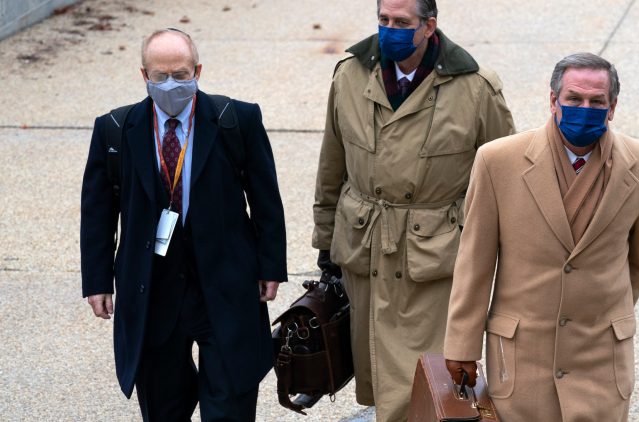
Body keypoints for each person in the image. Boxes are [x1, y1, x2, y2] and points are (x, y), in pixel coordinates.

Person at [311, 0, 515, 419]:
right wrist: (326, 242)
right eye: (383, 20)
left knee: (424, 381)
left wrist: (500, 259)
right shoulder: (350, 74)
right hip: (364, 248)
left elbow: (503, 177)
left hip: (433, 258)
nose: (390, 30)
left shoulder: (476, 86)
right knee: (377, 379)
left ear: (428, 26)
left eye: (402, 22)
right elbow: (332, 164)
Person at [443, 53, 639, 421]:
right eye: (574, 98)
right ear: (553, 101)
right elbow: (474, 263)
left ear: (612, 107)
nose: (585, 108)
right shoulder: (498, 161)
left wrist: (601, 312)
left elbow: (638, 263)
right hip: (522, 355)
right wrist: (461, 345)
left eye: (597, 101)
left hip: (600, 358)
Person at [80, 28, 287, 421]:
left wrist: (270, 266)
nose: (171, 83)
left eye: (181, 73)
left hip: (225, 285)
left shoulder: (237, 120)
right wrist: (97, 282)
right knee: (163, 407)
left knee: (230, 404)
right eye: (160, 76)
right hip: (153, 291)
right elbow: (97, 212)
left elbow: (265, 200)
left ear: (198, 70)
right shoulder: (115, 129)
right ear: (144, 76)